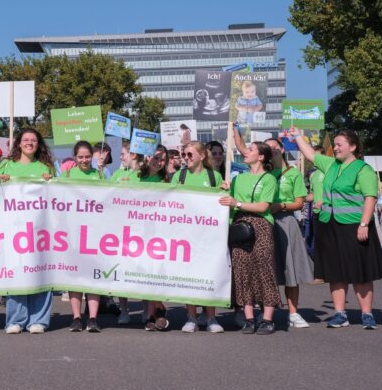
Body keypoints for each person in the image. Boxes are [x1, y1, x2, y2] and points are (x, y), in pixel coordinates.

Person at [288, 127, 382, 329]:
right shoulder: (331, 164)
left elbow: (370, 197)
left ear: (353, 147)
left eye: (340, 144)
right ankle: (340, 314)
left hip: (354, 225)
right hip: (329, 224)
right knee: (335, 272)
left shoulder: (363, 169)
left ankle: (367, 314)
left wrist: (364, 224)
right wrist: (297, 136)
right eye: (335, 144)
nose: (335, 148)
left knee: (360, 271)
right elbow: (310, 154)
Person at [0, 128, 55, 334]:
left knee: (41, 271)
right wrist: (0, 181)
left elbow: (56, 196)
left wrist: (50, 182)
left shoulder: (45, 167)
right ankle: (15, 320)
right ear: (19, 143)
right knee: (17, 272)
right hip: (13, 229)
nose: (29, 143)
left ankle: (38, 320)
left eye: (33, 140)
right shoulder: (6, 165)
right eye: (26, 140)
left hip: (40, 229)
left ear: (39, 144)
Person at [219, 141, 279, 335]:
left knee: (264, 270)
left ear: (261, 157)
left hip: (261, 226)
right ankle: (249, 318)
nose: (245, 152)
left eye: (251, 149)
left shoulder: (269, 179)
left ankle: (267, 319)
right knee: (242, 271)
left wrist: (237, 203)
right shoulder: (238, 178)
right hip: (239, 227)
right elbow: (226, 202)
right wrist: (223, 190)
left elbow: (263, 206)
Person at [171, 141, 224, 333]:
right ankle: (191, 317)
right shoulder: (179, 176)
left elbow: (221, 203)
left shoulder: (214, 176)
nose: (186, 158)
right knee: (189, 276)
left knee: (209, 275)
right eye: (184, 155)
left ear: (202, 156)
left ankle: (211, 317)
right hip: (186, 235)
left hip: (209, 235)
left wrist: (226, 190)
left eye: (190, 155)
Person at [116, 146, 171, 330]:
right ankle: (153, 309)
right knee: (132, 271)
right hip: (132, 232)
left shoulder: (166, 180)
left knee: (151, 272)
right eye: (156, 157)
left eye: (162, 159)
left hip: (155, 233)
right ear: (148, 157)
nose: (158, 162)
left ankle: (152, 313)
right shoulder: (135, 175)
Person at [265, 138, 313, 329]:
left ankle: (293, 313)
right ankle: (266, 313)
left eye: (274, 147)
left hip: (286, 221)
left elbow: (299, 202)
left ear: (282, 148)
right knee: (266, 269)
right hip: (265, 221)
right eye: (267, 148)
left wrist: (282, 205)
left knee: (290, 268)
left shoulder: (293, 173)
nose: (271, 150)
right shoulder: (263, 173)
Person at [65, 141, 103, 333]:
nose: (84, 160)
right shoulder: (68, 175)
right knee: (76, 276)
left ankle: (93, 318)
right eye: (80, 157)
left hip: (95, 233)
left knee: (93, 275)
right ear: (75, 158)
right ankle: (76, 317)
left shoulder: (99, 174)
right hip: (73, 233)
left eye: (87, 156)